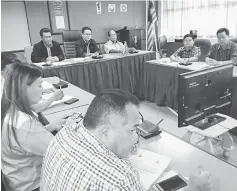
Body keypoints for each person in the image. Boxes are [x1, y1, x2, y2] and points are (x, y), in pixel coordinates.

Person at [40, 89, 145, 191]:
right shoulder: (121, 179)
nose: (136, 136)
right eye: (133, 129)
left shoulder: (65, 132)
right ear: (105, 132)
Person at [1, 63, 67, 191]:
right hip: (33, 184)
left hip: (15, 179)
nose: (42, 89)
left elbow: (25, 142)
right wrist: (70, 130)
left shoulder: (10, 111)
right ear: (23, 89)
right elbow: (61, 152)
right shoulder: (26, 127)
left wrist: (51, 126)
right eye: (39, 85)